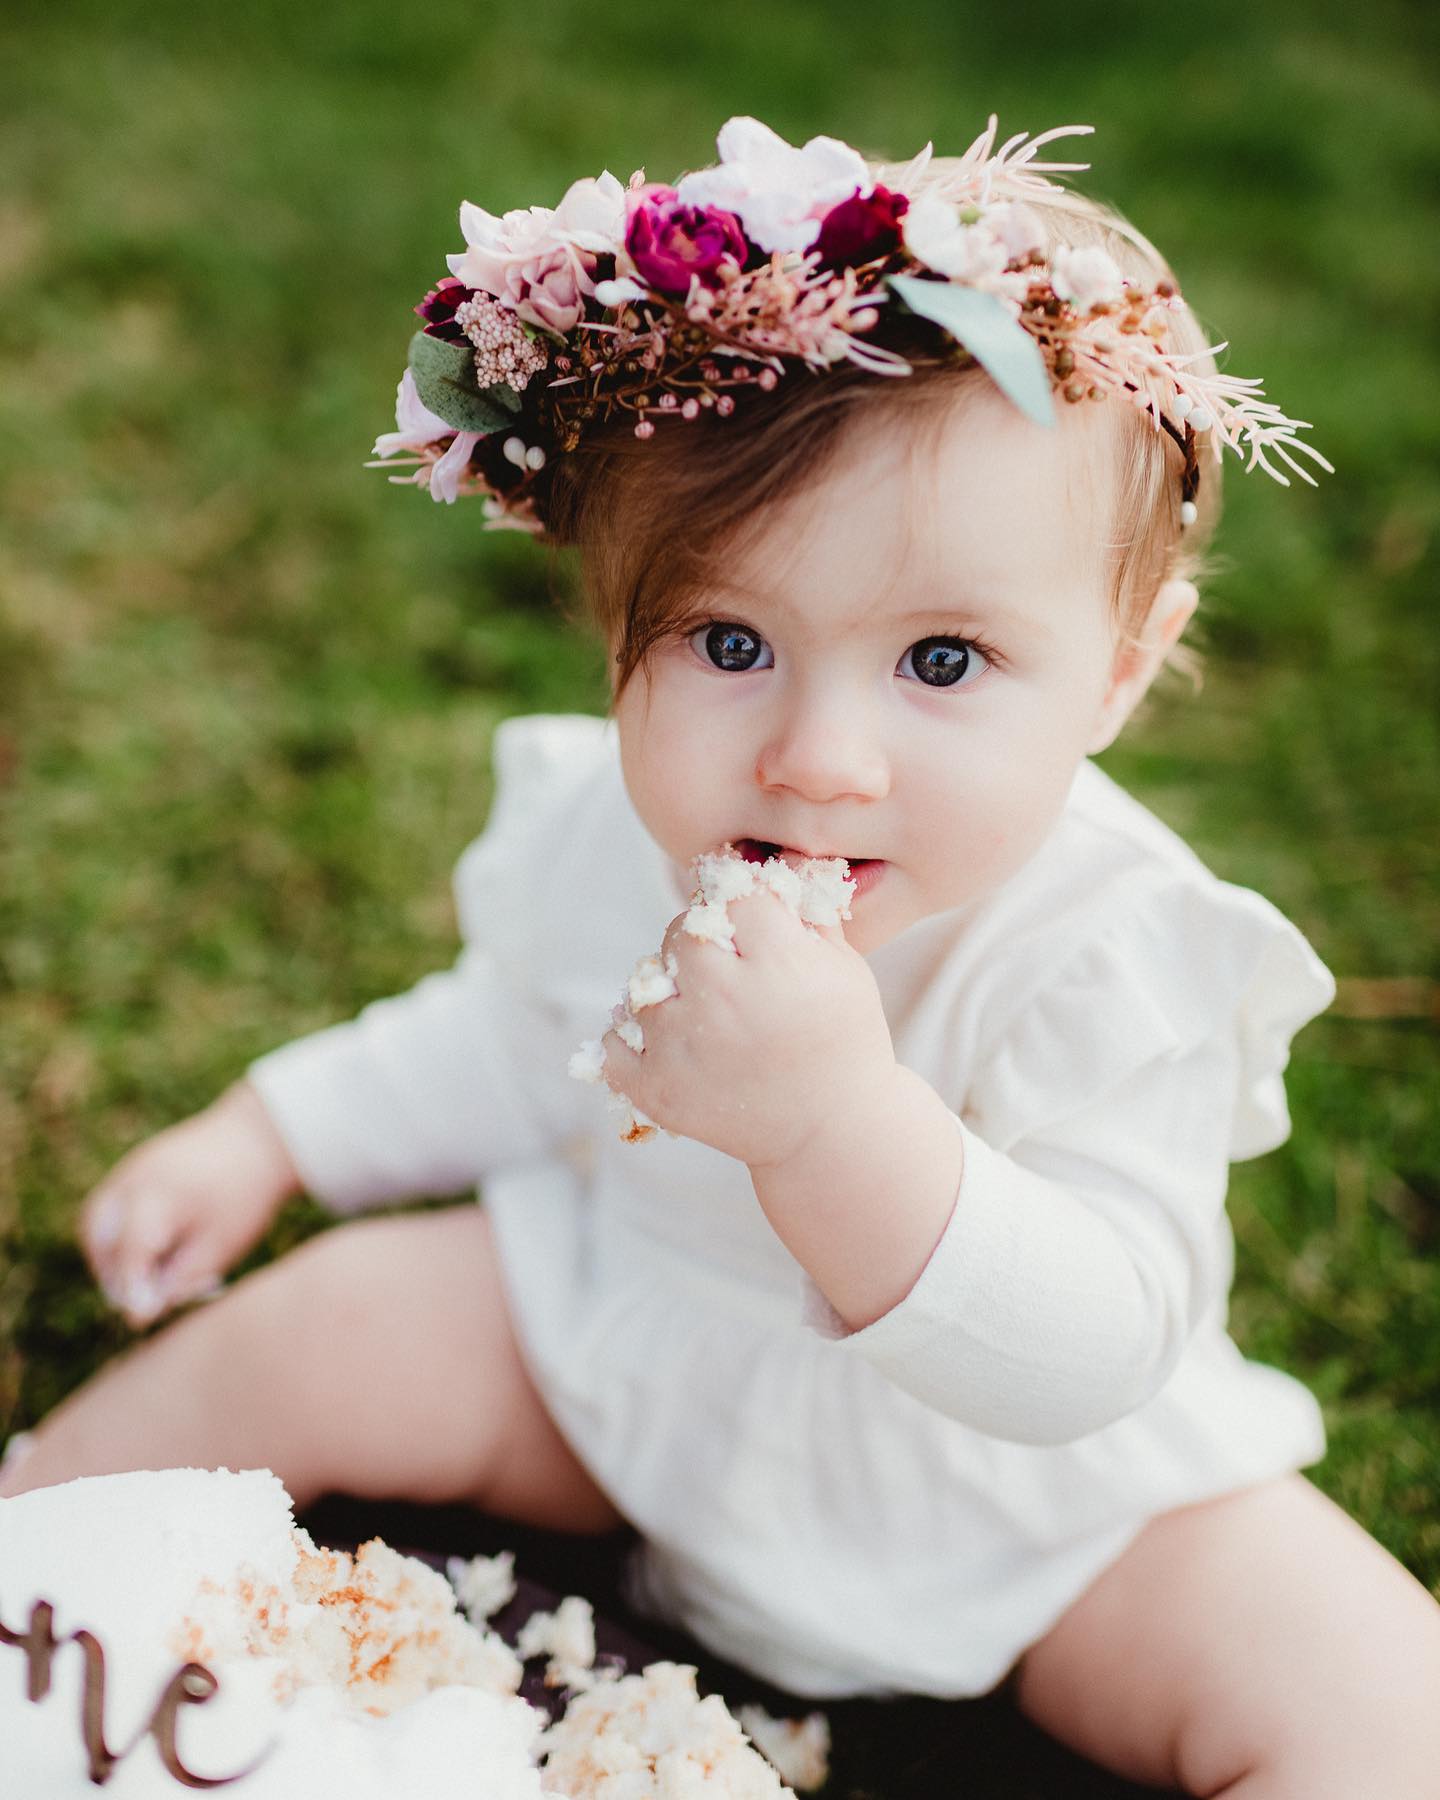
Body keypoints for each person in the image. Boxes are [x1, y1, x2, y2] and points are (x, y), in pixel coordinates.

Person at [4, 116, 1438, 1796]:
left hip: (1036, 1514)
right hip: (630, 1365)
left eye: (948, 660)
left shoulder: (1113, 951)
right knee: (322, 1326)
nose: (821, 756)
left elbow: (1093, 1348)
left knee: (1384, 1715)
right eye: (733, 642)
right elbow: (504, 1036)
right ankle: (40, 1575)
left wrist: (832, 1122)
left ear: (1120, 675)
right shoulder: (625, 840)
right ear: (615, 628)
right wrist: (274, 1132)